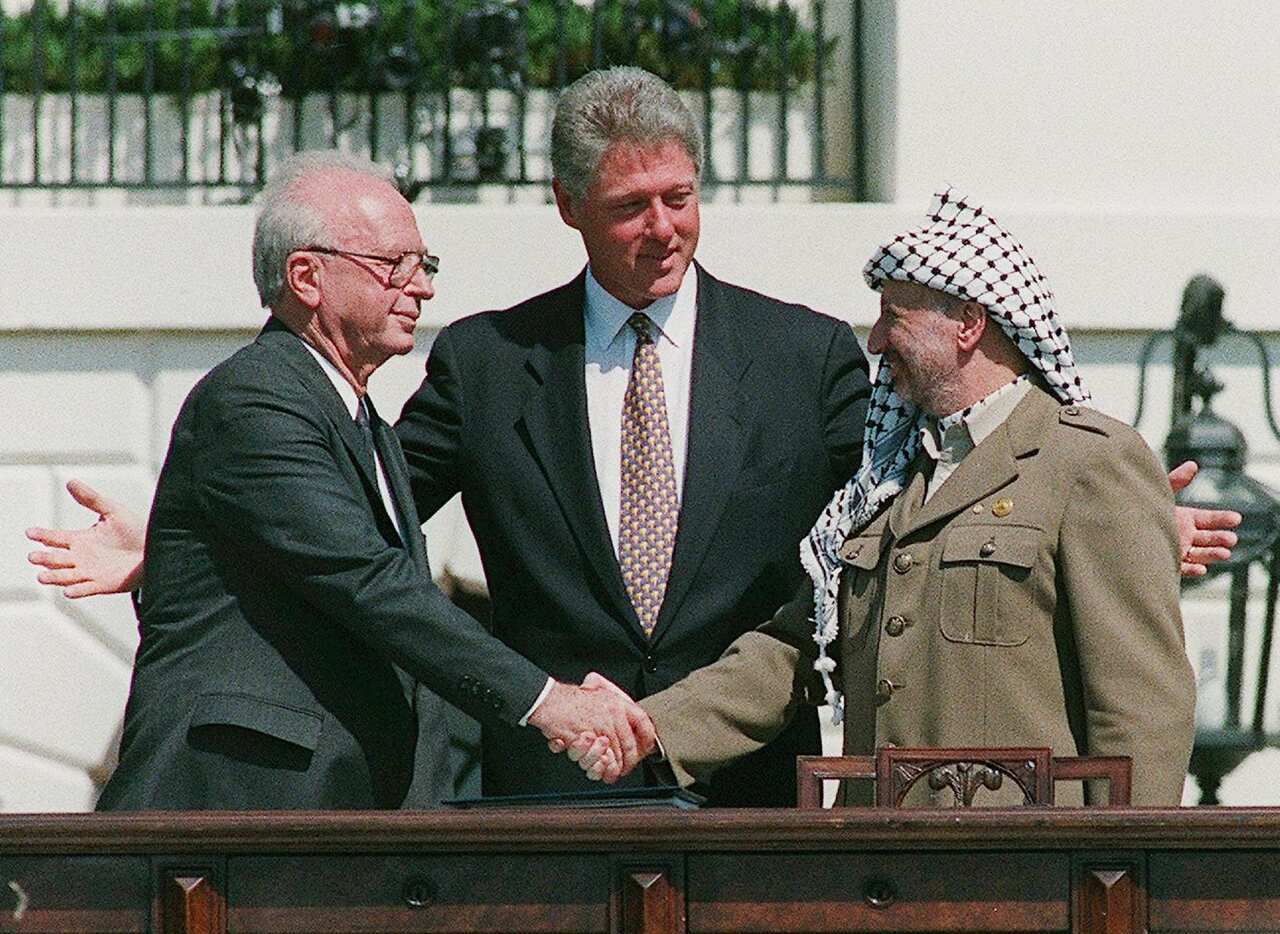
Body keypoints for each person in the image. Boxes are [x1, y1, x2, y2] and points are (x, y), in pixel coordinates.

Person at [30, 72, 1235, 806]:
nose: (661, 229)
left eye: (679, 198)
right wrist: (185, 529)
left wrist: (1109, 517)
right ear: (568, 208)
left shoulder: (805, 355)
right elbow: (366, 513)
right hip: (552, 795)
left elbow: (906, 499)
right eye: (627, 207)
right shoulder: (488, 361)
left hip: (747, 787)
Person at [576, 189, 1197, 805]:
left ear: (968, 325)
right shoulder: (885, 480)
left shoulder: (1087, 462)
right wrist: (653, 726)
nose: (874, 342)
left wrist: (1121, 859)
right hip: (876, 855)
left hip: (1020, 861)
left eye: (893, 316)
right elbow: (794, 650)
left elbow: (1142, 709)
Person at [77, 151, 652, 810]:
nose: (422, 287)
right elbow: (366, 580)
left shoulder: (360, 419)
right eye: (394, 265)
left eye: (424, 264)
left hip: (337, 813)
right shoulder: (253, 401)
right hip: (243, 808)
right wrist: (548, 702)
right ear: (307, 276)